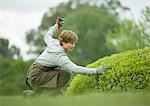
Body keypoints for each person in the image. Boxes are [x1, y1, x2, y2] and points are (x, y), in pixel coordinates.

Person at [23, 17, 109, 96]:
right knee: (66, 73)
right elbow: (76, 68)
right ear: (63, 42)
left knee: (60, 76)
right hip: (36, 77)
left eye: (74, 43)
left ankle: (32, 94)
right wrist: (95, 71)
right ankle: (41, 96)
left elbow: (47, 36)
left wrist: (56, 26)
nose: (74, 46)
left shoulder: (54, 42)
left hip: (32, 76)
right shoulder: (59, 56)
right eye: (71, 43)